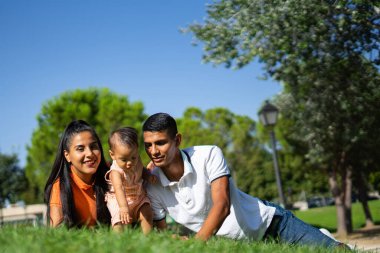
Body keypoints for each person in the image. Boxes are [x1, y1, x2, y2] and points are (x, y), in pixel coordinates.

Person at [142, 112, 348, 248]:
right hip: (241, 247)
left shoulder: (208, 155)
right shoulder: (153, 186)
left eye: (160, 143)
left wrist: (196, 245)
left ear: (177, 140)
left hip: (271, 225)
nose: (153, 151)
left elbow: (222, 205)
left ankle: (328, 239)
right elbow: (162, 233)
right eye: (148, 145)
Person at [44, 120, 111, 228]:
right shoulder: (60, 186)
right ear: (67, 155)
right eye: (80, 149)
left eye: (93, 147)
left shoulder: (111, 174)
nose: (89, 154)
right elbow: (56, 232)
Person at [105, 127, 157, 234]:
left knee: (147, 212)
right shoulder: (115, 172)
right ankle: (118, 240)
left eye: (133, 157)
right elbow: (119, 189)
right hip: (119, 200)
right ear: (112, 155)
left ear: (137, 150)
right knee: (119, 220)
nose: (129, 163)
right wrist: (123, 207)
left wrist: (148, 175)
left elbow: (142, 169)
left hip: (138, 197)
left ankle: (148, 237)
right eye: (124, 159)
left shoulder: (137, 160)